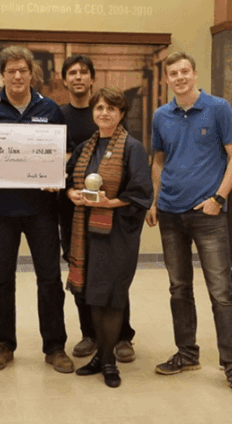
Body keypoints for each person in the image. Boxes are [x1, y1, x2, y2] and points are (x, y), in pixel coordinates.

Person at [145, 51, 232, 400]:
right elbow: (159, 160)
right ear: (167, 80)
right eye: (173, 74)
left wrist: (219, 198)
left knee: (221, 293)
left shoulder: (218, 109)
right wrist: (154, 200)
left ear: (194, 74)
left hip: (208, 215)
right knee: (179, 288)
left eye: (184, 71)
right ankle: (187, 354)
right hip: (170, 214)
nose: (179, 78)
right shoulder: (161, 116)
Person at [0, 45, 74, 374]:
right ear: (2, 75)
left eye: (23, 70)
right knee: (1, 280)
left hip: (42, 210)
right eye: (11, 70)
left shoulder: (51, 110)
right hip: (0, 210)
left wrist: (58, 174)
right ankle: (3, 345)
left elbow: (65, 155)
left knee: (50, 279)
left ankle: (55, 346)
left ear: (32, 74)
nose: (17, 76)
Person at [65, 87, 153, 388]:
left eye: (111, 108)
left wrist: (108, 203)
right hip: (85, 232)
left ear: (122, 113)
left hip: (117, 232)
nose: (104, 113)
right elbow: (68, 179)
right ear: (93, 112)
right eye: (99, 108)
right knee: (94, 295)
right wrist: (72, 193)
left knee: (113, 298)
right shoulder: (84, 147)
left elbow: (141, 193)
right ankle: (100, 357)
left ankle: (108, 362)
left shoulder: (132, 147)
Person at [58, 55, 137, 363]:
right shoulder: (58, 115)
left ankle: (123, 336)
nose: (78, 77)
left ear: (92, 79)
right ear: (65, 80)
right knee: (80, 269)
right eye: (72, 73)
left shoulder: (109, 113)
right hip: (74, 209)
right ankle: (89, 333)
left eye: (84, 72)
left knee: (113, 272)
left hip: (109, 212)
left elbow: (125, 156)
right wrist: (69, 189)